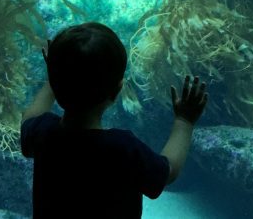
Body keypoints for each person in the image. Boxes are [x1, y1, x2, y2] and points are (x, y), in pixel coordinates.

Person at [20, 21, 208, 219]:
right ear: (118, 91)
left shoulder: (43, 133)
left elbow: (30, 116)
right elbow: (167, 171)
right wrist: (184, 121)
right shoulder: (123, 148)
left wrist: (53, 78)